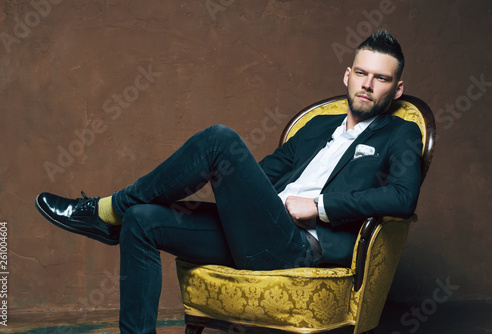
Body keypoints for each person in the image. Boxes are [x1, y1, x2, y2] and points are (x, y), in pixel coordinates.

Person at [35, 29, 422, 333]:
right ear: (347, 75)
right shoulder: (317, 126)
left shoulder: (399, 133)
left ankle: (106, 212)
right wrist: (234, 188)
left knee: (220, 139)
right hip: (260, 230)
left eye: (381, 78)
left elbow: (403, 198)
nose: (367, 85)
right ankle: (121, 219)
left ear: (397, 88)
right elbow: (264, 172)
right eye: (361, 73)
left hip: (300, 245)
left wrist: (318, 206)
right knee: (143, 219)